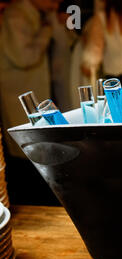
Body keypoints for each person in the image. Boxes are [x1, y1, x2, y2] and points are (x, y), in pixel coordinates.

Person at [0, 0, 62, 205]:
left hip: (34, 93)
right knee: (25, 153)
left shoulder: (37, 14)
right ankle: (31, 205)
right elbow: (24, 58)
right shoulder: (15, 16)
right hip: (19, 96)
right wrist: (47, 30)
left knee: (36, 150)